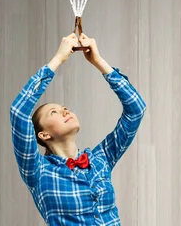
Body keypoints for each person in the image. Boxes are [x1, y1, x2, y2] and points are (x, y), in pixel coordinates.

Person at [9, 31, 147, 225]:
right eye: (54, 112)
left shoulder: (101, 159)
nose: (65, 111)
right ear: (43, 134)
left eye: (64, 108)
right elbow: (18, 112)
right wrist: (58, 59)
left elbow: (136, 110)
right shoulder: (38, 171)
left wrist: (99, 62)